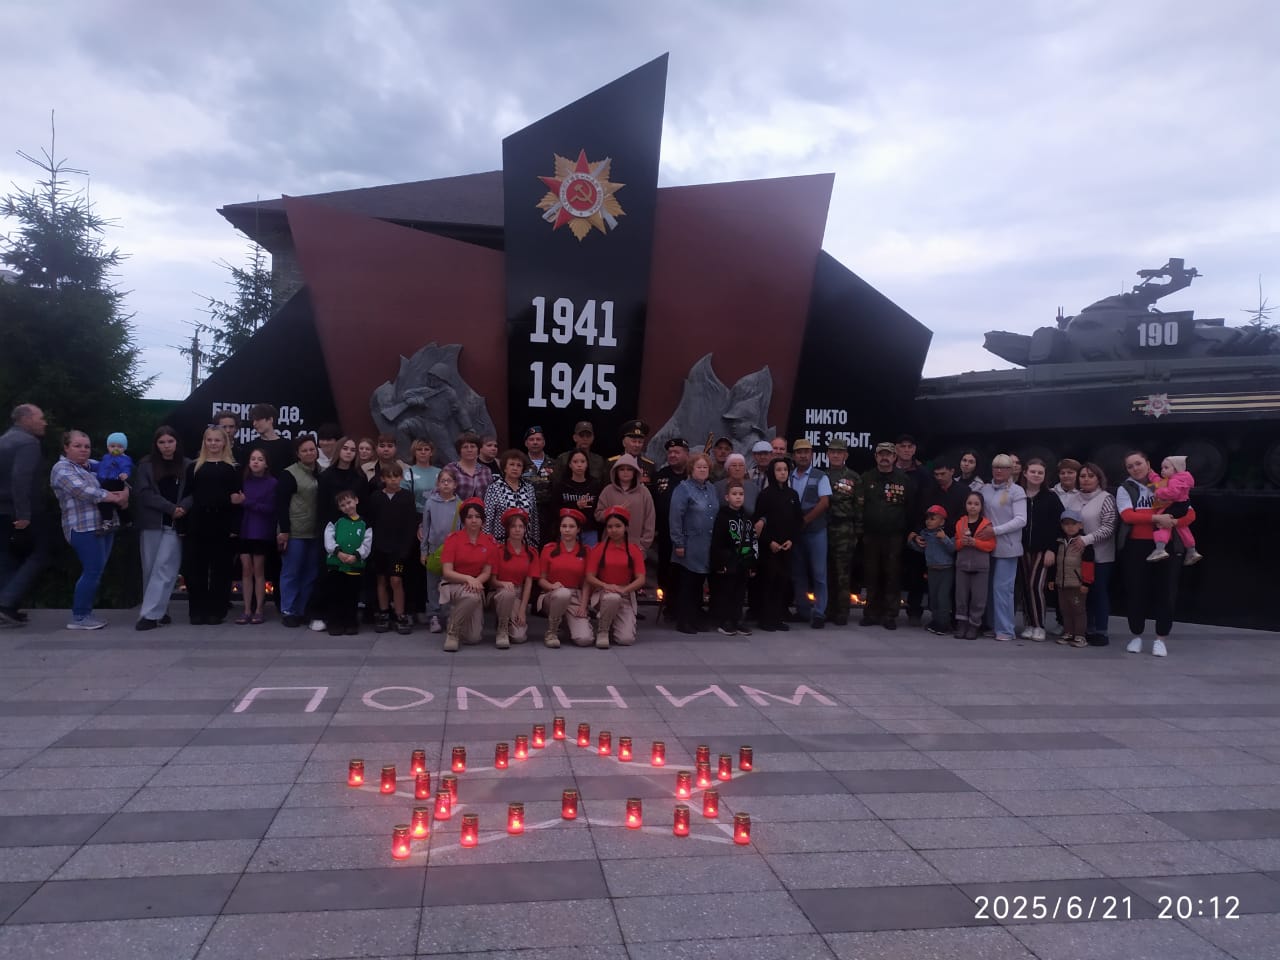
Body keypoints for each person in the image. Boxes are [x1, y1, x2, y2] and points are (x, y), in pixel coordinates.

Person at [50, 430, 129, 629]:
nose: (83, 450)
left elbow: (119, 477)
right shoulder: (61, 469)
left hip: (105, 525)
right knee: (92, 570)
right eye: (77, 446)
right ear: (66, 447)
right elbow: (83, 491)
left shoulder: (93, 464)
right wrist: (115, 497)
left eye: (87, 446)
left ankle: (86, 613)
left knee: (97, 571)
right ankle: (79, 617)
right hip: (83, 528)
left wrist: (125, 492)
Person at [1117, 451, 1192, 657]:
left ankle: (1161, 638)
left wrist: (1174, 521)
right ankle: (1136, 635)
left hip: (1167, 545)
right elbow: (1127, 516)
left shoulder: (1168, 483)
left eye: (1138, 463)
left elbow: (1189, 512)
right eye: (1130, 466)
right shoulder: (1126, 488)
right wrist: (1156, 518)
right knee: (1136, 591)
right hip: (1136, 547)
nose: (1135, 468)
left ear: (1148, 464)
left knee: (1166, 592)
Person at [133, 426, 190, 631]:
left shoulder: (187, 464)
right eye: (162, 442)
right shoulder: (146, 465)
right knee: (150, 569)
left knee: (165, 568)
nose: (166, 446)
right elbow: (144, 493)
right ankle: (160, 609)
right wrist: (170, 508)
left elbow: (192, 492)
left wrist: (183, 508)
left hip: (175, 524)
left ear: (177, 443)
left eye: (170, 441)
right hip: (152, 523)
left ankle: (149, 615)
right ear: (156, 445)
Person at [0, 404, 51, 627]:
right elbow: (21, 479)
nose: (44, 422)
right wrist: (24, 515)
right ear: (26, 419)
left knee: (7, 557)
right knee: (41, 552)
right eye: (40, 418)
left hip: (2, 510)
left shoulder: (4, 440)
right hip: (22, 510)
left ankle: (7, 608)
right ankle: (6, 602)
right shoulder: (28, 443)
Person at [183, 427, 240, 625]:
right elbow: (187, 495)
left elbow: (236, 498)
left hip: (222, 522)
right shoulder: (194, 467)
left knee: (220, 569)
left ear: (224, 443)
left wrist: (235, 527)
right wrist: (183, 524)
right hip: (198, 522)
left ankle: (217, 611)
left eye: (217, 440)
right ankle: (197, 611)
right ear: (204, 442)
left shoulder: (232, 468)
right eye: (210, 440)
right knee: (196, 568)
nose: (213, 443)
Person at [859, 442, 909, 630]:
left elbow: (910, 507)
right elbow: (859, 505)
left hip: (894, 536)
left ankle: (890, 615)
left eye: (888, 454)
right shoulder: (866, 478)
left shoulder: (903, 479)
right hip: (871, 535)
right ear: (876, 457)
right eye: (881, 454)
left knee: (892, 575)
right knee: (871, 574)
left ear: (894, 457)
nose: (884, 457)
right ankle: (871, 613)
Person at [669, 452, 719, 634]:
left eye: (705, 467)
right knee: (688, 585)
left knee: (699, 584)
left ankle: (696, 619)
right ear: (691, 469)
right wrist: (678, 543)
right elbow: (675, 518)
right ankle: (684, 621)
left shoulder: (711, 489)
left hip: (707, 545)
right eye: (699, 467)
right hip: (689, 545)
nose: (702, 470)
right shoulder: (683, 489)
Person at [275, 435, 322, 628]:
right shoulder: (289, 473)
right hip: (295, 532)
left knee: (311, 573)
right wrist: (284, 531)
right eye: (305, 450)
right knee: (291, 572)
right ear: (297, 454)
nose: (309, 453)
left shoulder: (322, 472)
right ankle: (288, 610)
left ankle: (303, 610)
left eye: (312, 449)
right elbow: (281, 504)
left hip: (315, 532)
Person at [752, 457, 803, 632]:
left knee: (782, 581)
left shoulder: (793, 495)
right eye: (779, 470)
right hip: (769, 548)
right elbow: (758, 521)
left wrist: (791, 539)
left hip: (786, 547)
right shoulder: (765, 495)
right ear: (772, 473)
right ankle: (765, 618)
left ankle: (777, 617)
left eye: (785, 470)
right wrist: (769, 542)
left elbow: (798, 521)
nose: (782, 473)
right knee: (768, 582)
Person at [367, 461, 418, 635]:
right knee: (381, 579)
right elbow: (371, 522)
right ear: (383, 479)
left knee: (396, 580)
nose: (393, 480)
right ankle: (383, 613)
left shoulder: (407, 497)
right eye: (389, 477)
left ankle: (400, 614)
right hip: (380, 547)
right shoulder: (376, 497)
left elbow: (410, 524)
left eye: (396, 477)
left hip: (398, 549)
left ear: (401, 478)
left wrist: (406, 548)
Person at [980, 454, 1027, 642]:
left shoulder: (1017, 491)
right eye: (996, 467)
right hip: (986, 545)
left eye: (1004, 467)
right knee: (989, 588)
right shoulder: (984, 489)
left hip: (1007, 547)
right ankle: (992, 625)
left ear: (1011, 470)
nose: (999, 471)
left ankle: (1006, 629)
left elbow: (1021, 520)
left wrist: (995, 531)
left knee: (1003, 589)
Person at [439, 497, 496, 650]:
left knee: (473, 638)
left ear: (483, 520)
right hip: (454, 583)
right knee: (472, 596)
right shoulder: (453, 539)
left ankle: (458, 614)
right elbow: (447, 572)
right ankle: (453, 631)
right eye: (469, 516)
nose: (474, 520)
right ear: (464, 519)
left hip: (475, 585)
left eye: (477, 516)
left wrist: (476, 581)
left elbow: (487, 572)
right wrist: (468, 579)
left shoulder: (489, 541)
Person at [586, 505, 646, 647]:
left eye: (618, 526)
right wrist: (606, 586)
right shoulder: (598, 549)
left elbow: (641, 579)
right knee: (612, 597)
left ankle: (612, 622)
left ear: (625, 527)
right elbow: (589, 577)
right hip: (604, 594)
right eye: (610, 527)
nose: (613, 530)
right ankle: (603, 630)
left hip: (624, 595)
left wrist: (624, 590)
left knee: (626, 640)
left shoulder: (633, 550)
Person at [1019, 458, 1063, 641]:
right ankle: (1029, 624)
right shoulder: (1018, 495)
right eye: (1033, 471)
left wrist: (1052, 549)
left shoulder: (1051, 497)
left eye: (1040, 472)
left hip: (1042, 549)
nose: (1036, 475)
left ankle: (1039, 625)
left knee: (1035, 586)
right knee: (1024, 586)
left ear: (1045, 476)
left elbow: (1058, 525)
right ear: (1025, 473)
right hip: (1021, 549)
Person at [789, 439, 831, 627]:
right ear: (794, 456)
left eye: (806, 452)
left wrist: (805, 520)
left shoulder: (821, 476)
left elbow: (824, 503)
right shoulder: (789, 476)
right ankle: (803, 611)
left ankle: (820, 613)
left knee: (819, 574)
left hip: (816, 531)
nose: (803, 455)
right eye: (799, 452)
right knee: (798, 573)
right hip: (795, 534)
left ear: (811, 454)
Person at [1075, 462, 1117, 645]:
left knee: (1098, 592)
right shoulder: (1073, 498)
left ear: (1099, 479)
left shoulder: (1106, 498)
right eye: (1083, 476)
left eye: (1091, 476)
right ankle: (1084, 628)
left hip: (1100, 556)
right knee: (1082, 594)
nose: (1086, 479)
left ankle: (1100, 630)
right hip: (1076, 555)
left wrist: (1087, 539)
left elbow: (1109, 527)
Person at [538, 507, 592, 647]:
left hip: (575, 597)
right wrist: (551, 586)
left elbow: (587, 582)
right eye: (564, 526)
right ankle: (552, 631)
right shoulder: (549, 549)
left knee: (584, 639)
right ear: (560, 528)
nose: (567, 530)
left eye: (571, 526)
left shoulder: (586, 551)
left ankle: (566, 624)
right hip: (552, 595)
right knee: (563, 594)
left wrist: (583, 605)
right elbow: (541, 579)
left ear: (578, 529)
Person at [322, 490, 372, 636]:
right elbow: (328, 539)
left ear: (356, 500)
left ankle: (351, 622)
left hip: (355, 566)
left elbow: (367, 543)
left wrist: (357, 555)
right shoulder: (336, 522)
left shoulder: (365, 524)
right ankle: (335, 622)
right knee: (336, 594)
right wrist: (338, 552)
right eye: (343, 505)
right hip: (336, 565)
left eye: (349, 502)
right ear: (339, 508)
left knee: (352, 595)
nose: (347, 506)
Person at [236, 449, 277, 624]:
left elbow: (270, 508)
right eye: (253, 459)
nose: (256, 462)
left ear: (266, 464)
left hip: (261, 531)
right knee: (246, 569)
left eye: (260, 459)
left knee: (258, 570)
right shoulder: (243, 481)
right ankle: (246, 609)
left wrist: (247, 502)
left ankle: (259, 609)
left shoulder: (272, 483)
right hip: (244, 530)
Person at [709, 480, 755, 636]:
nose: (738, 497)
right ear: (727, 497)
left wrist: (751, 562)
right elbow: (717, 542)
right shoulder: (722, 517)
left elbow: (751, 539)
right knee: (726, 592)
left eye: (741, 494)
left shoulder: (747, 516)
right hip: (728, 561)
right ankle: (725, 621)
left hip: (743, 561)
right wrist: (720, 563)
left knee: (740, 593)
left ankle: (737, 620)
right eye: (734, 494)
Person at [894, 434, 931, 628]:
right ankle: (889, 609)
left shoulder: (923, 474)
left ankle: (914, 611)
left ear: (914, 449)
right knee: (892, 570)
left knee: (917, 572)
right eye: (903, 446)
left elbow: (926, 504)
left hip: (916, 530)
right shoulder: (888, 469)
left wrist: (917, 530)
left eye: (910, 446)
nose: (906, 450)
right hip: (892, 530)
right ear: (896, 448)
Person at [489, 507, 539, 648]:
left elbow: (528, 583)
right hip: (499, 593)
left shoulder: (531, 553)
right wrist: (503, 584)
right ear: (507, 529)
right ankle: (502, 629)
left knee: (519, 637)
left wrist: (523, 610)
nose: (517, 530)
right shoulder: (498, 551)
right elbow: (492, 581)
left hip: (518, 594)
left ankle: (508, 621)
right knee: (507, 593)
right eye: (513, 526)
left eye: (521, 526)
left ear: (525, 529)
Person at [652, 437, 689, 621]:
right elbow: (652, 504)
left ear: (686, 454)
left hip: (689, 534)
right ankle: (669, 605)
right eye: (670, 452)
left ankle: (686, 605)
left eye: (677, 452)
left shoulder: (693, 474)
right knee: (666, 569)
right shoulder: (660, 475)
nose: (673, 455)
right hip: (666, 533)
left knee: (686, 571)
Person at [420, 466, 461, 634]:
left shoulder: (460, 504)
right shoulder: (430, 503)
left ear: (455, 484)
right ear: (437, 484)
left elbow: (462, 530)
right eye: (442, 481)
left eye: (449, 481)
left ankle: (449, 614)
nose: (445, 484)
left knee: (450, 583)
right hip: (434, 550)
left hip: (453, 551)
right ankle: (434, 615)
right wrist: (424, 551)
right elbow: (426, 528)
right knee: (433, 584)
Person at [824, 439, 860, 626]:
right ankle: (828, 608)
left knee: (842, 573)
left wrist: (858, 532)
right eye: (832, 452)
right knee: (827, 572)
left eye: (839, 452)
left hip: (845, 530)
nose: (836, 455)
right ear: (828, 454)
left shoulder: (854, 477)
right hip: (825, 529)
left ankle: (842, 611)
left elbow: (859, 506)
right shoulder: (822, 476)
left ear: (846, 455)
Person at [1048, 509, 1094, 648]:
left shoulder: (1084, 543)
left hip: (1077, 584)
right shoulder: (1059, 542)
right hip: (1062, 583)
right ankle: (1068, 633)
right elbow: (1055, 563)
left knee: (1078, 610)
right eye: (1066, 524)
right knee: (1065, 610)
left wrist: (1086, 583)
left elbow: (1088, 564)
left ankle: (1080, 635)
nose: (1070, 527)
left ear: (1080, 525)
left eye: (1073, 524)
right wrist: (1052, 579)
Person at [953, 492, 995, 638]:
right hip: (962, 565)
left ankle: (974, 625)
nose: (973, 507)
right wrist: (962, 542)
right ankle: (961, 624)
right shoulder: (960, 523)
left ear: (981, 507)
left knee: (979, 598)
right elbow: (955, 544)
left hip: (980, 567)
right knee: (961, 597)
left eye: (976, 504)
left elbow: (991, 545)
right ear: (965, 505)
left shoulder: (987, 524)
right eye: (970, 503)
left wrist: (975, 543)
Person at [908, 505, 956, 635]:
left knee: (943, 597)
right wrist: (912, 542)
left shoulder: (948, 533)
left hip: (946, 570)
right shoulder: (925, 534)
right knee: (933, 597)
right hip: (932, 569)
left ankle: (944, 623)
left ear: (942, 521)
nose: (928, 521)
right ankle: (936, 621)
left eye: (933, 519)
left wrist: (944, 538)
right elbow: (921, 549)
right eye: (927, 518)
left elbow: (953, 549)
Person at [1147, 455, 1202, 565]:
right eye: (1162, 468)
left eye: (1166, 468)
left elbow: (1172, 493)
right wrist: (1152, 475)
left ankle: (1160, 549)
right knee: (1183, 528)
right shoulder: (1180, 479)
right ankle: (1192, 551)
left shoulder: (1174, 481)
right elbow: (1161, 483)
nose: (1163, 470)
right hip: (1183, 506)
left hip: (1176, 506)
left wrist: (1158, 493)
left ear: (1176, 469)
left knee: (1162, 523)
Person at [597, 454, 657, 551]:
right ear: (616, 472)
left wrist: (643, 544)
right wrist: (613, 511)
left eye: (629, 469)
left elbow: (650, 519)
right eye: (622, 469)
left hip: (636, 547)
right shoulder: (607, 491)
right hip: (611, 546)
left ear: (635, 472)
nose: (625, 472)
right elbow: (598, 515)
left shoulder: (644, 492)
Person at [484, 449, 542, 548]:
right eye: (511, 464)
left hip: (525, 544)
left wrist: (534, 544)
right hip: (500, 544)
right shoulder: (494, 488)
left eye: (519, 465)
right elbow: (488, 519)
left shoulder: (529, 488)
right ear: (505, 468)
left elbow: (534, 520)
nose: (515, 468)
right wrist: (487, 544)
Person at [317, 437, 370, 531]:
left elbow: (365, 505)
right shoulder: (326, 476)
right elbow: (322, 507)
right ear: (338, 450)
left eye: (353, 450)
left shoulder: (360, 476)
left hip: (356, 527)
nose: (349, 452)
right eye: (345, 448)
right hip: (332, 527)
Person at [552, 449, 602, 546]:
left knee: (590, 555)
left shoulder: (595, 484)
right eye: (575, 462)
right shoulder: (562, 485)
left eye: (582, 461)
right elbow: (555, 509)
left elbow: (598, 509)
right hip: (567, 530)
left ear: (587, 464)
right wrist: (576, 505)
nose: (579, 465)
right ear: (570, 465)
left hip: (589, 531)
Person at [522, 425, 557, 537]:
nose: (535, 442)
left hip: (549, 513)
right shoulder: (520, 463)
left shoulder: (554, 464)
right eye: (531, 439)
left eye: (538, 439)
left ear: (544, 442)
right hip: (527, 511)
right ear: (526, 443)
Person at [94, 431, 133, 529]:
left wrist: (125, 474)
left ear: (124, 448)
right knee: (111, 502)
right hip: (105, 481)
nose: (116, 449)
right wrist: (90, 466)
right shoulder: (106, 457)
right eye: (112, 446)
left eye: (119, 447)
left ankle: (122, 520)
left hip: (116, 481)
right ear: (108, 447)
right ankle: (114, 520)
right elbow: (100, 466)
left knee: (106, 499)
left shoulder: (124, 459)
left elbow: (127, 467)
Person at [245, 403, 294, 475]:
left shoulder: (287, 445)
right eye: (253, 420)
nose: (254, 423)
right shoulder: (250, 446)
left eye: (258, 419)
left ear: (270, 420)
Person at [447, 431, 494, 502]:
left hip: (481, 508)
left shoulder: (486, 471)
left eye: (472, 446)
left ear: (478, 449)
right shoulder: (450, 469)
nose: (469, 450)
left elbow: (491, 496)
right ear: (459, 450)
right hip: (456, 508)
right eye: (465, 447)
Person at [610, 419, 656, 487]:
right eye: (634, 441)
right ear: (624, 443)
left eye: (640, 442)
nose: (637, 445)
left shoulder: (649, 465)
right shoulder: (612, 463)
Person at [405, 439, 441, 513]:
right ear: (414, 452)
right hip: (415, 514)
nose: (423, 452)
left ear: (431, 453)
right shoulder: (407, 473)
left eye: (426, 449)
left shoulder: (440, 472)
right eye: (419, 449)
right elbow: (403, 498)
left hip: (437, 513)